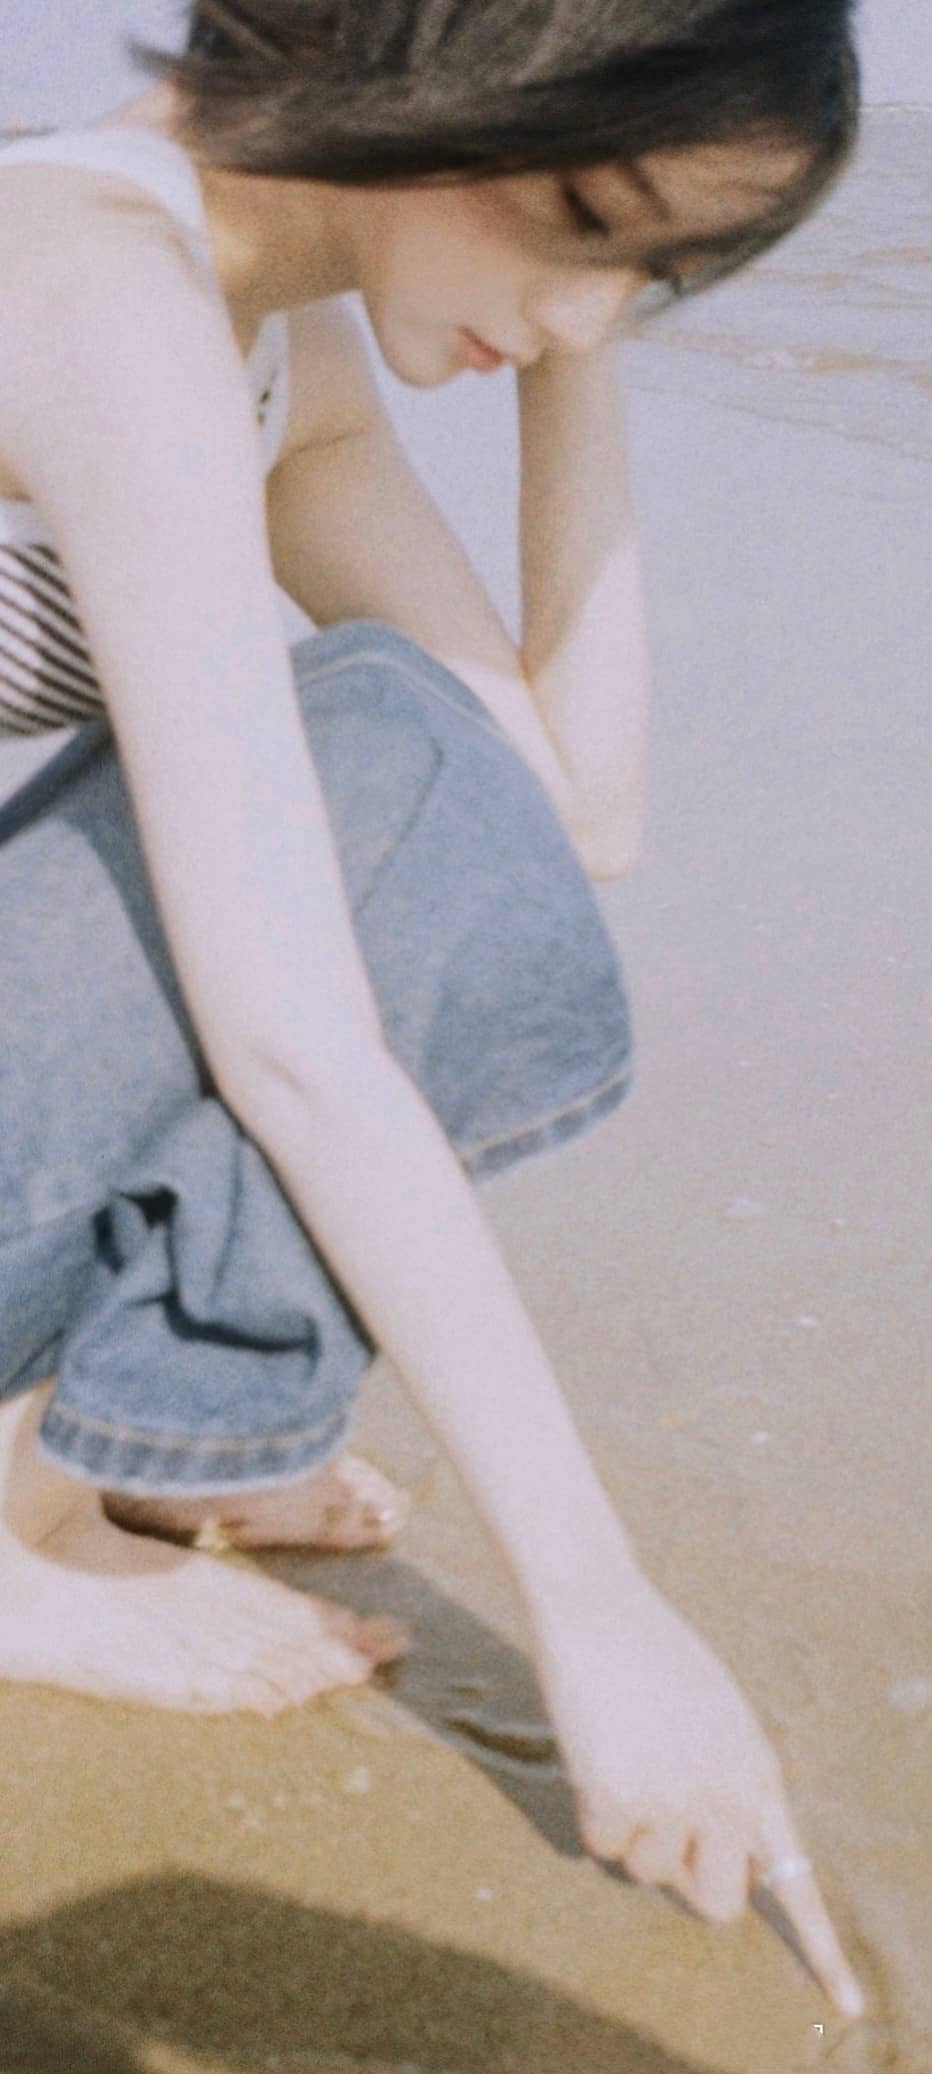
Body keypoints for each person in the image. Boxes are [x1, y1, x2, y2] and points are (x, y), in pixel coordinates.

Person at [0, 0, 864, 2020]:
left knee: (398, 766)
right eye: (589, 218)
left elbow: (560, 807)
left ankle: (138, 1435)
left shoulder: (267, 341)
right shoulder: (92, 276)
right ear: (439, 71)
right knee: (329, 855)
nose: (587, 309)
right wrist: (598, 1606)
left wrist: (582, 339)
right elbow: (292, 1037)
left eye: (661, 273)